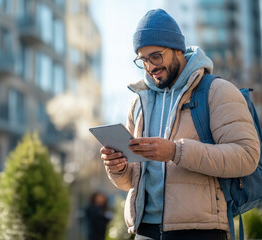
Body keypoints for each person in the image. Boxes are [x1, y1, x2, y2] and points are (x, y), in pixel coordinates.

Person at [100, 9, 260, 240]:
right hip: (144, 231)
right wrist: (118, 167)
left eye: (155, 56)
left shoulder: (217, 91)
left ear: (177, 49)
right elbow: (130, 182)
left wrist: (176, 151)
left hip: (200, 231)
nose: (150, 66)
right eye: (142, 60)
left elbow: (247, 157)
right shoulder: (139, 102)